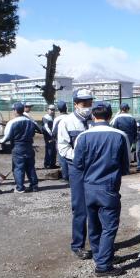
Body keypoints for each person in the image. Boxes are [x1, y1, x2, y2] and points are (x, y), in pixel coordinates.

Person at [73, 102, 130, 277]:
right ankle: (103, 265)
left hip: (88, 186)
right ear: (110, 116)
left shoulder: (83, 136)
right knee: (109, 226)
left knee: (94, 225)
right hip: (109, 186)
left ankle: (100, 255)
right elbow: (125, 165)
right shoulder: (120, 135)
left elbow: (78, 164)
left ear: (92, 116)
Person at [57, 88, 94, 260]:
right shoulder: (67, 122)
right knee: (80, 208)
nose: (87, 106)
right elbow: (63, 147)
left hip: (95, 169)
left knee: (96, 206)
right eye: (84, 103)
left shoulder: (95, 120)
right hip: (77, 168)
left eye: (89, 103)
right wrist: (80, 158)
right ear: (76, 104)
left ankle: (97, 243)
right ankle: (78, 245)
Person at [0, 102, 39, 193]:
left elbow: (7, 137)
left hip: (18, 146)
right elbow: (37, 130)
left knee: (18, 167)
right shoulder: (30, 121)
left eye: (13, 110)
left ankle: (20, 188)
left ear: (15, 110)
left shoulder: (12, 122)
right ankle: (34, 186)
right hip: (29, 146)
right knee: (30, 166)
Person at [52, 101, 70, 181]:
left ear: (58, 109)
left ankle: (65, 177)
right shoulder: (70, 117)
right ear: (66, 108)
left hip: (60, 141)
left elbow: (54, 132)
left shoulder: (57, 119)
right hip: (71, 140)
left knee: (62, 160)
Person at [41, 104, 57, 169]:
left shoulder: (54, 117)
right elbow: (46, 127)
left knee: (54, 150)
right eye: (51, 110)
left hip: (53, 136)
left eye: (53, 110)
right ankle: (47, 164)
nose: (52, 111)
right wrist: (52, 135)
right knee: (49, 149)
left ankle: (52, 164)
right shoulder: (45, 117)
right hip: (48, 136)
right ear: (47, 110)